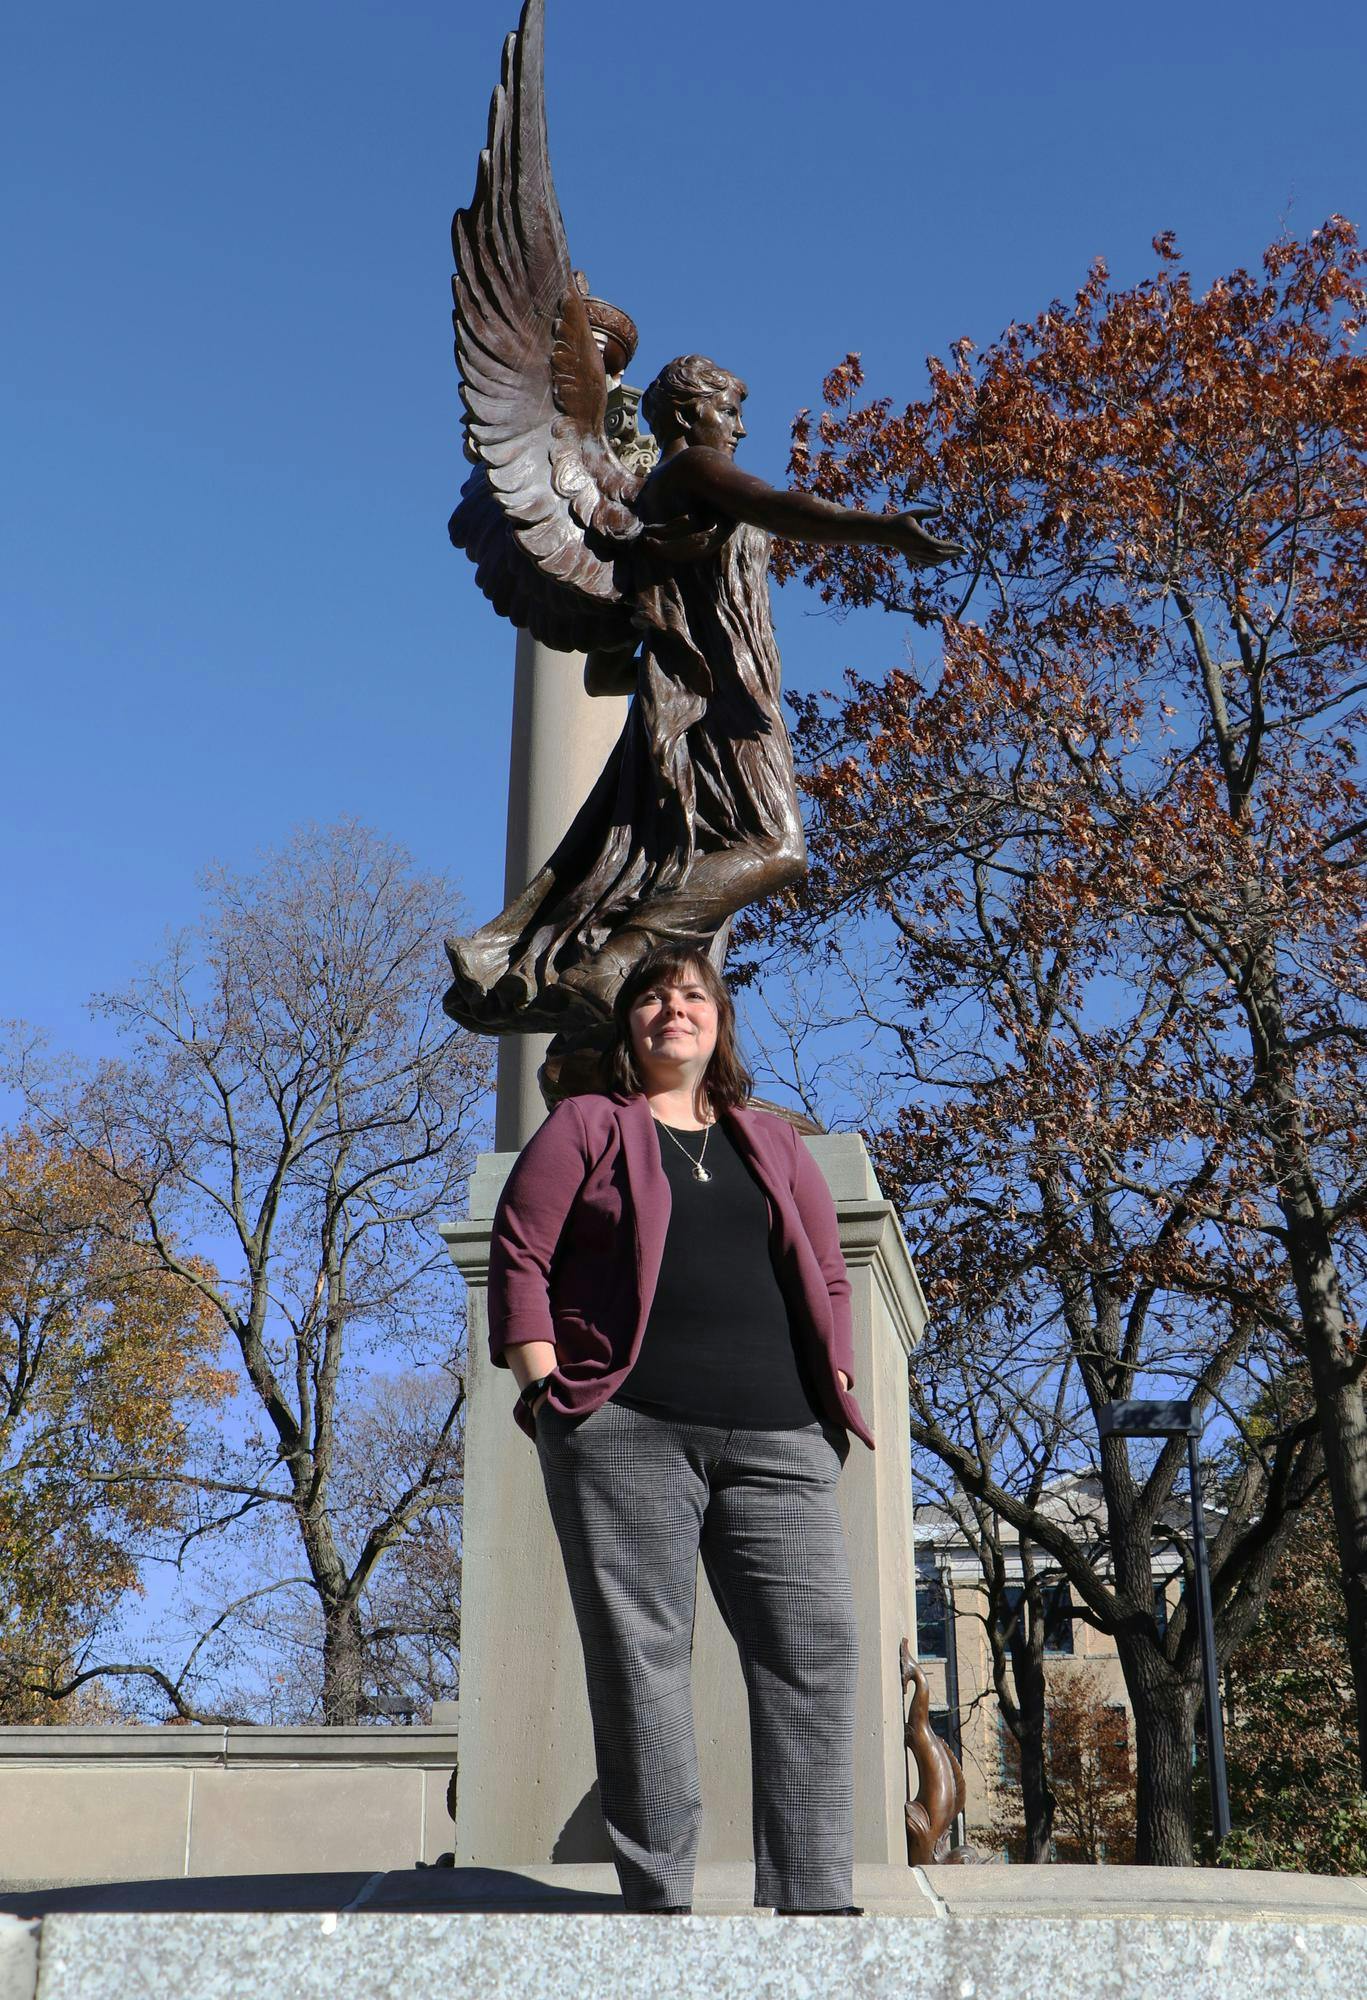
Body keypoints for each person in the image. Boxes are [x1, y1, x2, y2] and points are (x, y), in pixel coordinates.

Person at [487, 941, 875, 1915]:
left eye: (693, 993)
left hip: (780, 1433)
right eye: (655, 994)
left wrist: (832, 1374)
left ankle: (813, 1891)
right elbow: (520, 1252)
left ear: (719, 1021)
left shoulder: (771, 1141)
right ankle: (660, 1895)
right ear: (629, 1024)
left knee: (813, 1645)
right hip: (625, 1427)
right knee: (643, 1655)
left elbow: (826, 1272)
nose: (673, 1006)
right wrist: (544, 1391)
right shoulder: (587, 1124)